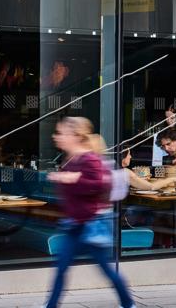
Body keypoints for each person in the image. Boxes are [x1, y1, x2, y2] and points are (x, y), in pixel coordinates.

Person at [43, 117, 135, 308]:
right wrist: (64, 178)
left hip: (93, 224)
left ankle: (128, 304)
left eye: (60, 133)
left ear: (75, 136)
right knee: (61, 268)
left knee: (106, 270)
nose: (56, 137)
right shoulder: (69, 159)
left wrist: (74, 179)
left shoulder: (89, 158)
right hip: (75, 224)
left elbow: (101, 184)